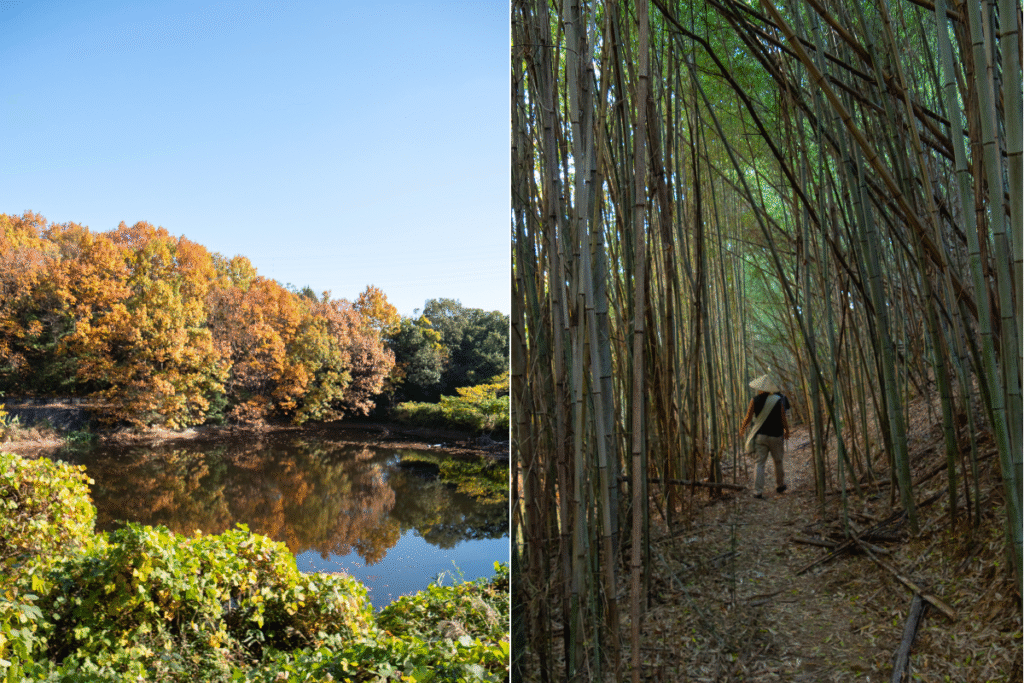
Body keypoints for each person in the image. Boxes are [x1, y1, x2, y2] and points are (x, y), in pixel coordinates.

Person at [739, 373, 791, 499]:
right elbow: (783, 417)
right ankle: (780, 486)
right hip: (776, 436)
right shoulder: (779, 399)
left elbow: (748, 417)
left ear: (761, 388)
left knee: (759, 463)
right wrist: (787, 431)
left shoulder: (755, 400)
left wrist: (742, 429)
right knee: (778, 461)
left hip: (761, 436)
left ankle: (758, 491)